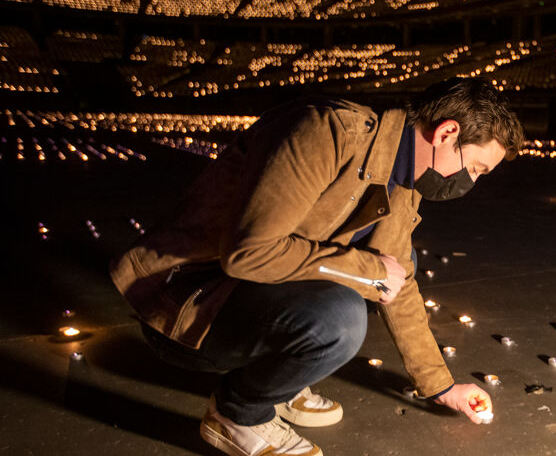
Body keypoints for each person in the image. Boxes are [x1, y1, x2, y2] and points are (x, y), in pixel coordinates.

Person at [109, 77, 525, 455]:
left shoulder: (403, 181)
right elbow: (248, 253)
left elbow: (400, 284)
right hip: (188, 300)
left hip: (246, 294)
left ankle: (278, 380)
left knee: (394, 266)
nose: (469, 182)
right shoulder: (326, 133)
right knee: (344, 314)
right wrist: (368, 270)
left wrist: (441, 387)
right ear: (447, 132)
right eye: (474, 167)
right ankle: (237, 414)